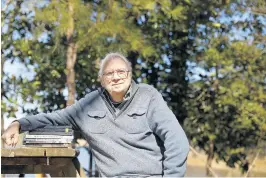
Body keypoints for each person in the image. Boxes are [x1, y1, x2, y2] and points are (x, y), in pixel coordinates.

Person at [2, 52, 190, 177]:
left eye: (121, 72)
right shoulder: (90, 104)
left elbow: (177, 140)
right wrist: (18, 124)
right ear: (101, 80)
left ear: (130, 74)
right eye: (109, 73)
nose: (115, 77)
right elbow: (54, 117)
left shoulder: (149, 96)